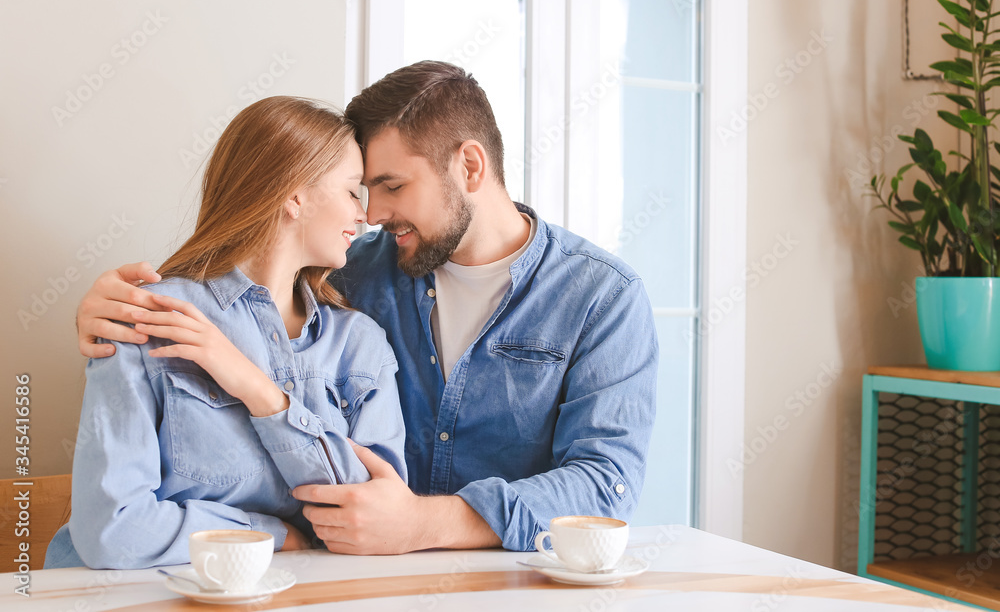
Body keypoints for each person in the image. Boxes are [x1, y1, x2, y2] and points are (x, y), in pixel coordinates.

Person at [75, 61, 658, 555]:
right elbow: (247, 270)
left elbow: (604, 486)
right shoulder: (352, 270)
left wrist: (422, 524)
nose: (373, 213)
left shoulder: (601, 297)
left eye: (391, 186)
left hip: (500, 581)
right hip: (349, 577)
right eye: (361, 191)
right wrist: (113, 306)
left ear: (471, 167)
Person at [47, 96, 406, 569]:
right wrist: (273, 535)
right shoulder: (151, 317)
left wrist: (260, 393)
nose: (364, 215)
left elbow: (373, 520)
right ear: (295, 195)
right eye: (351, 191)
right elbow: (113, 530)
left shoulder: (360, 346)